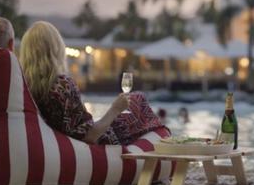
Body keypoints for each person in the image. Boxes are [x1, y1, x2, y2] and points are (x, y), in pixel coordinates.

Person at [19, 21, 166, 145]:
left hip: (66, 139)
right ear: (55, 49)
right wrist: (115, 109)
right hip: (100, 140)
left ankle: (157, 137)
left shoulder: (26, 85)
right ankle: (161, 141)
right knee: (138, 99)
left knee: (135, 102)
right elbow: (89, 135)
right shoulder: (61, 85)